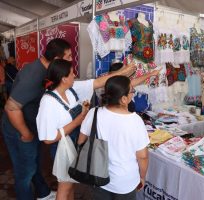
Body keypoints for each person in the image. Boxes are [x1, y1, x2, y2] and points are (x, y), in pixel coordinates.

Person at [1, 38, 134, 200]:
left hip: (38, 128)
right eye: (69, 56)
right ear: (58, 62)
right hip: (18, 129)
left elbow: (96, 83)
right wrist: (26, 133)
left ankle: (43, 193)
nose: (72, 60)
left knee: (36, 165)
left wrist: (124, 72)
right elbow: (11, 107)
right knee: (25, 171)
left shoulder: (64, 86)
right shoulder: (36, 80)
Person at [37, 59, 134, 199]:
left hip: (75, 143)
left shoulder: (70, 90)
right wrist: (77, 122)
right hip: (62, 147)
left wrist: (83, 112)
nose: (74, 75)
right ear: (64, 79)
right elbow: (47, 138)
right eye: (71, 73)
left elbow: (98, 83)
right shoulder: (48, 101)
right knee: (64, 187)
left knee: (71, 184)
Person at [78, 75, 149, 200]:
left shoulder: (93, 113)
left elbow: (81, 141)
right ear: (123, 99)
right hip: (125, 181)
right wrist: (142, 176)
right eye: (132, 91)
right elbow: (142, 156)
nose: (133, 93)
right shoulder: (136, 121)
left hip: (97, 175)